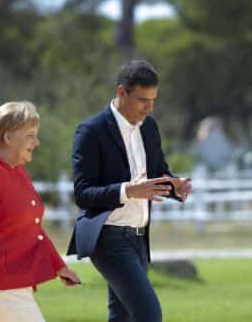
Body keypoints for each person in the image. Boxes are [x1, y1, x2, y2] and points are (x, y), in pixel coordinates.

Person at [67, 60, 192, 322]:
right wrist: (128, 191)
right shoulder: (91, 131)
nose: (149, 107)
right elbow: (83, 193)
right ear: (121, 92)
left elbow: (159, 173)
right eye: (143, 99)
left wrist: (174, 187)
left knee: (122, 317)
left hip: (139, 239)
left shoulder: (149, 126)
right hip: (108, 238)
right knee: (149, 314)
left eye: (153, 100)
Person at [0, 101, 81, 322]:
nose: (37, 142)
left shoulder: (17, 169)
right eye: (30, 135)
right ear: (8, 137)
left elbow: (32, 228)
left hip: (13, 283)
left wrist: (58, 266)